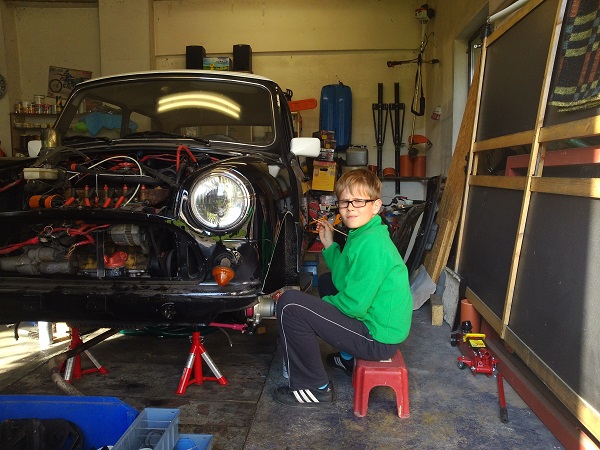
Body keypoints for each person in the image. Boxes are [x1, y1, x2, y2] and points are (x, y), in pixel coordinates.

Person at [274, 168, 412, 407]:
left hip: (377, 339)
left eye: (359, 201)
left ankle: (313, 387)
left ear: (376, 206)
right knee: (327, 281)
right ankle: (349, 358)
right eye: (345, 202)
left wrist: (315, 309)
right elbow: (343, 279)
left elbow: (354, 305)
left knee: (290, 306)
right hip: (375, 326)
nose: (350, 208)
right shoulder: (363, 233)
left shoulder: (373, 246)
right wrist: (329, 245)